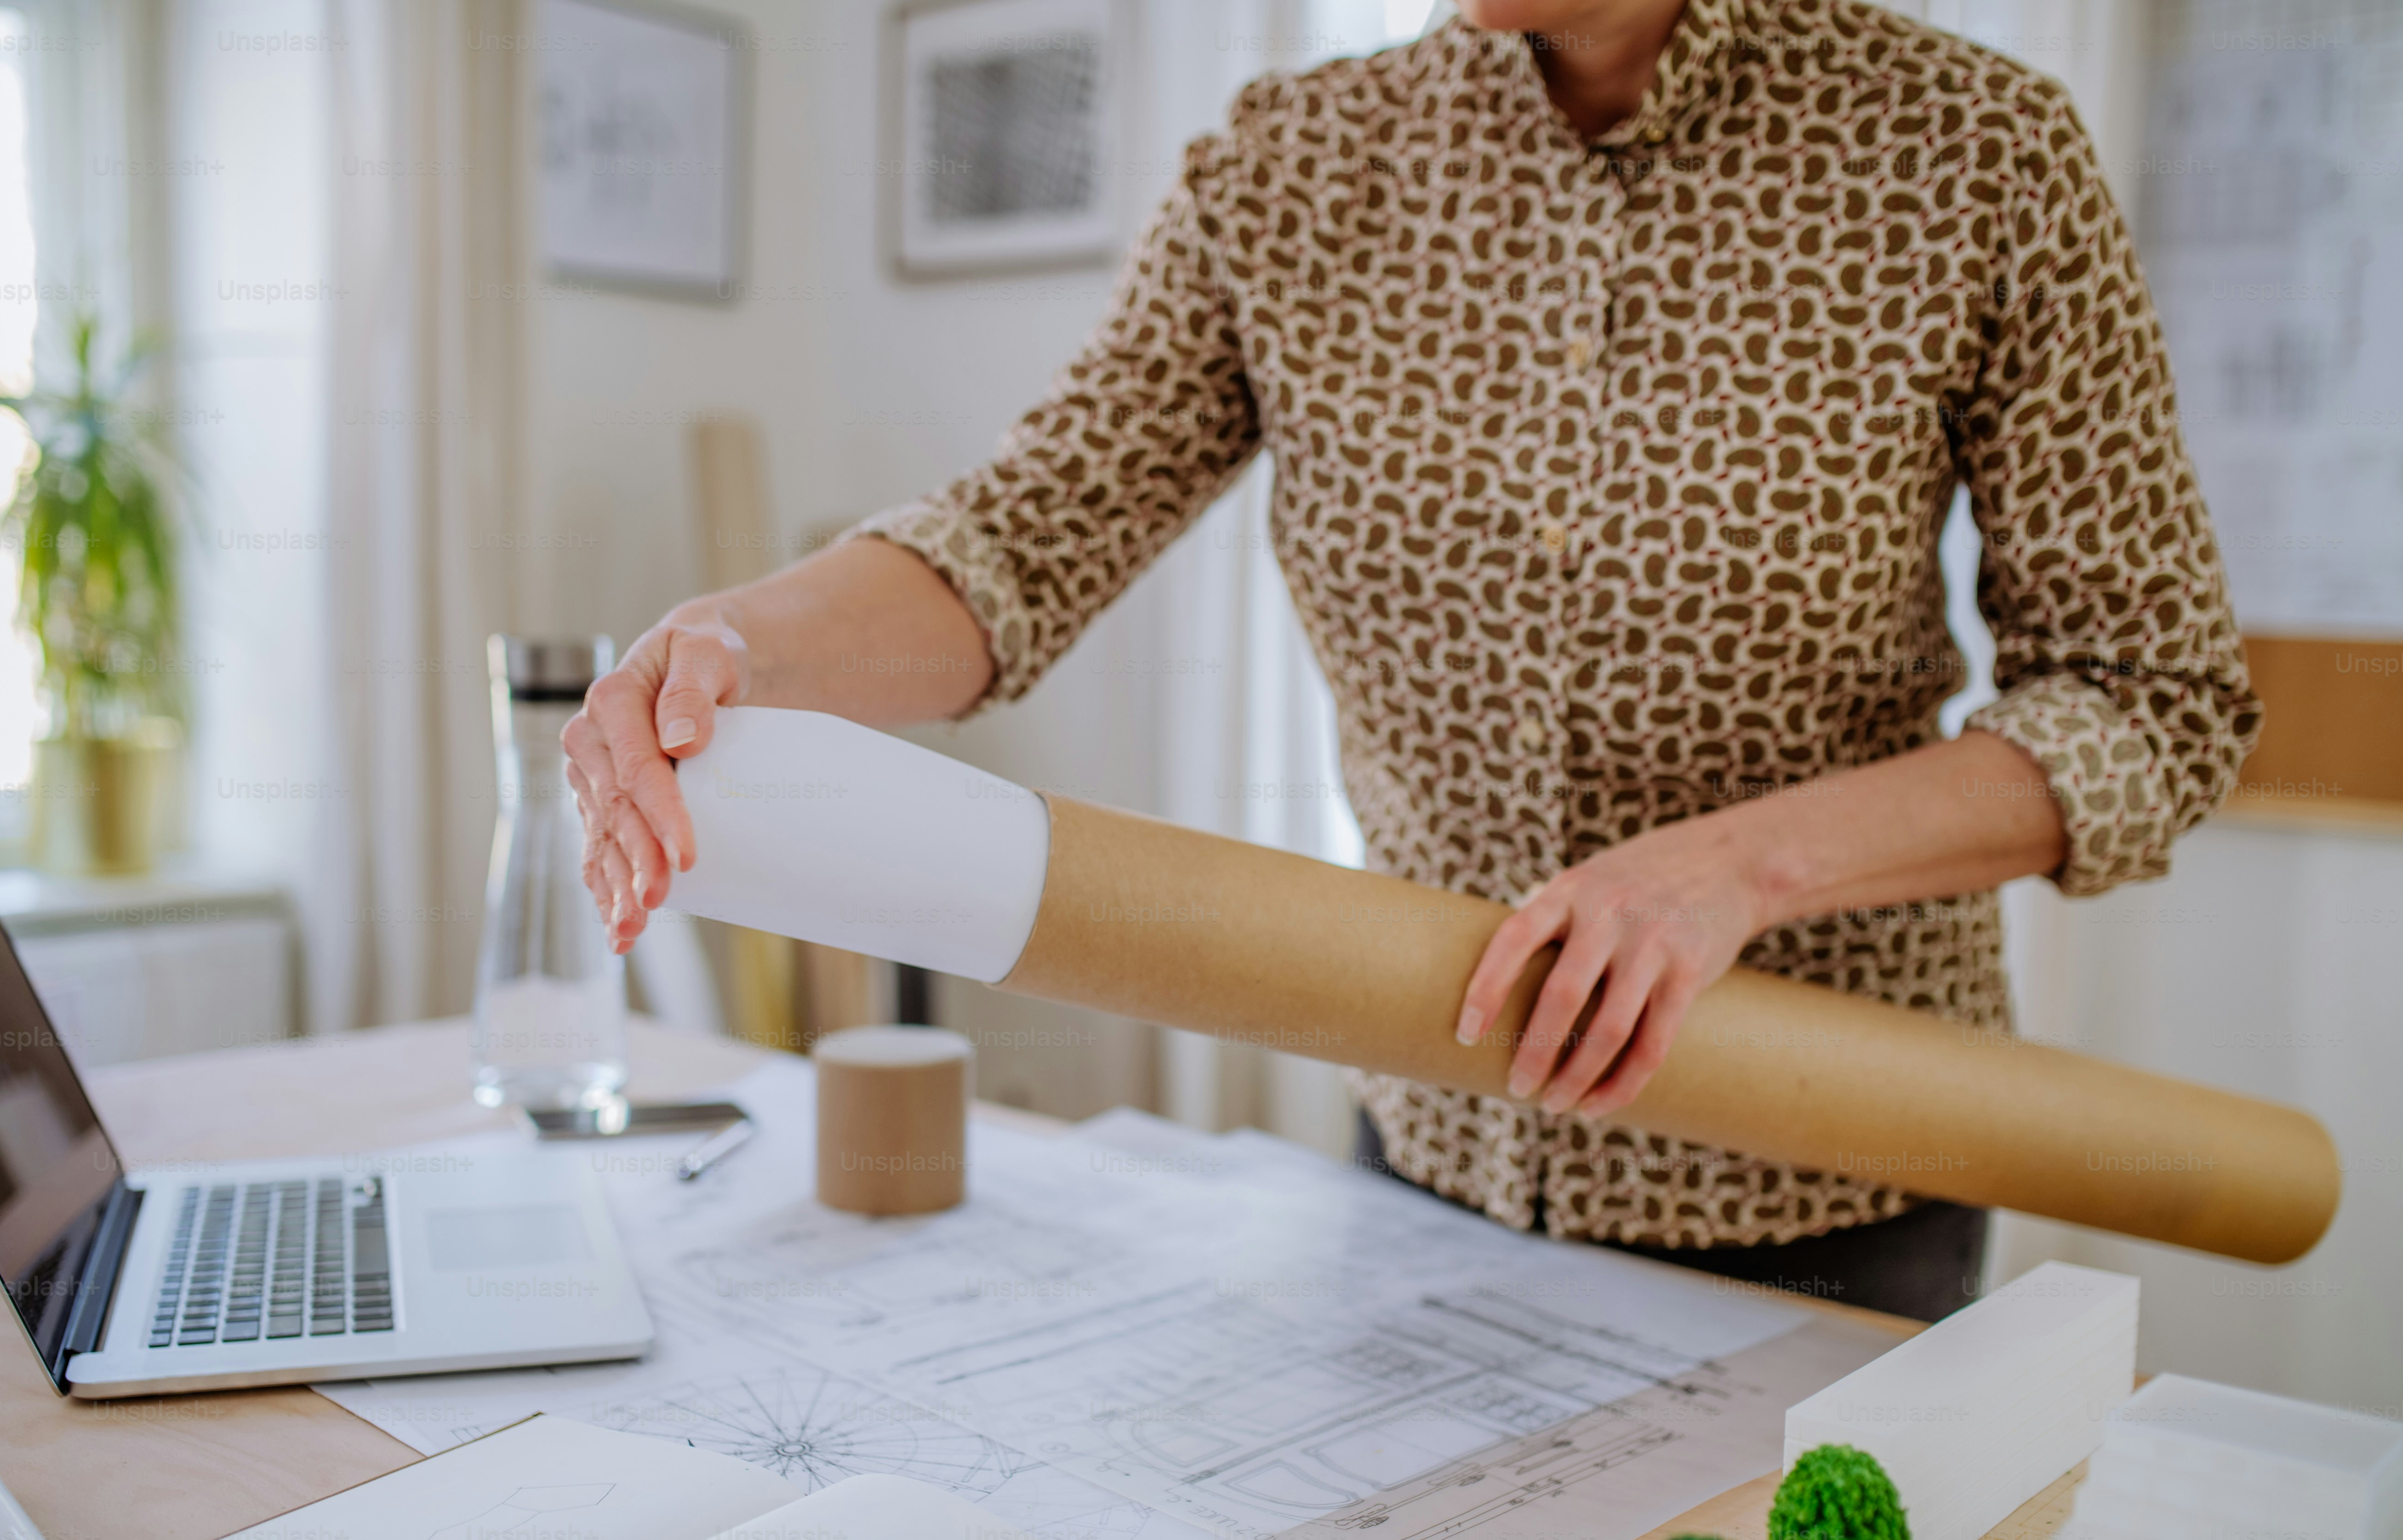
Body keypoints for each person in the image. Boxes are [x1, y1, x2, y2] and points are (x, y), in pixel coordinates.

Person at [565, 0, 2257, 1322]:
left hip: (1823, 1186)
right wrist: (734, 643)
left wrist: (1737, 868)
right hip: (1427, 1157)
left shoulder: (1973, 155)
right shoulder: (1294, 165)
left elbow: (2152, 700)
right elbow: (1021, 541)